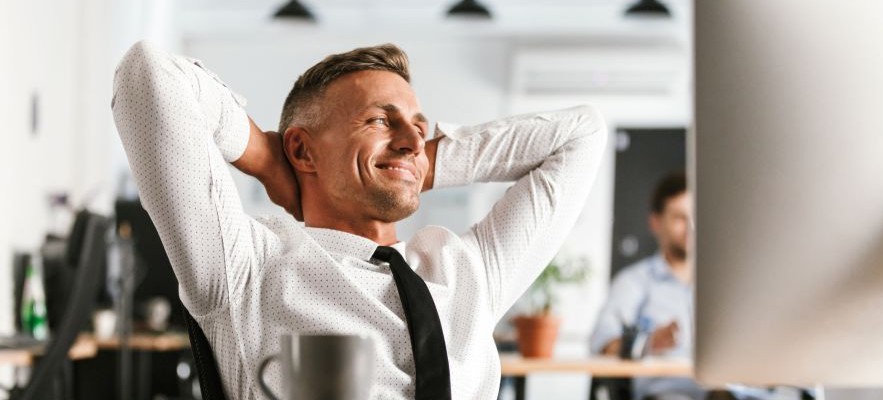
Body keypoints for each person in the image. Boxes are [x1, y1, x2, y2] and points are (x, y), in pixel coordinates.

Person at [112, 41, 606, 399]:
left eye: (417, 126)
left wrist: (418, 161)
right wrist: (265, 157)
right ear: (302, 149)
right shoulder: (248, 266)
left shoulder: (465, 269)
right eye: (378, 120)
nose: (412, 138)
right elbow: (148, 78)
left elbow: (582, 135)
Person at [589, 172, 704, 400]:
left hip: (724, 390)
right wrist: (648, 343)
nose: (690, 227)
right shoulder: (635, 282)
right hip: (668, 393)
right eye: (680, 218)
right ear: (656, 223)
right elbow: (602, 339)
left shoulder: (720, 285)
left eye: (695, 217)